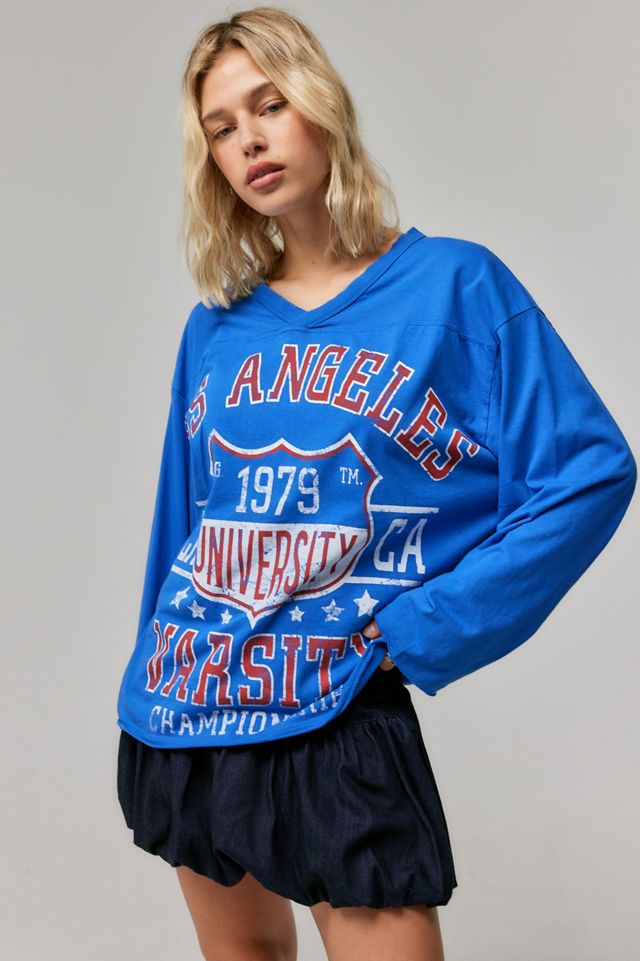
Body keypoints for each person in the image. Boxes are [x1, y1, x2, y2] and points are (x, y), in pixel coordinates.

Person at [115, 7, 637, 961]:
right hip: (191, 699)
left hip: (337, 703)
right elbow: (184, 522)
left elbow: (588, 472)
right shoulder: (215, 327)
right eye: (222, 128)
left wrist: (420, 628)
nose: (249, 141)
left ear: (321, 103)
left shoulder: (456, 287)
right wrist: (149, 662)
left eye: (269, 105)